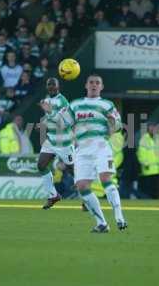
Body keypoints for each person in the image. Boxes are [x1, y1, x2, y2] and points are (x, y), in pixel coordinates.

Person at [41, 74, 127, 233]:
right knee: (82, 186)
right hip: (82, 149)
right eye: (91, 83)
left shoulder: (107, 105)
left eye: (97, 83)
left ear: (101, 87)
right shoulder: (75, 104)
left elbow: (118, 126)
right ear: (86, 86)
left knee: (105, 178)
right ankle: (102, 223)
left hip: (101, 145)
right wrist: (51, 112)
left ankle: (119, 216)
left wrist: (113, 123)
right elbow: (61, 123)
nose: (94, 85)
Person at [38, 77, 74, 210]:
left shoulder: (63, 101)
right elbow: (50, 120)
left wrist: (49, 111)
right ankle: (53, 195)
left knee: (73, 170)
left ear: (58, 86)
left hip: (64, 142)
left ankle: (86, 197)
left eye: (53, 84)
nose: (51, 86)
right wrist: (42, 123)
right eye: (49, 84)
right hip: (51, 140)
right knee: (41, 165)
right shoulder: (46, 100)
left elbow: (64, 123)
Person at [136, 122, 159, 198]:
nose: (152, 129)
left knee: (156, 189)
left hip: (157, 169)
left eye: (154, 127)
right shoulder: (144, 140)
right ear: (148, 129)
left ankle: (154, 200)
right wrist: (144, 163)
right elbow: (141, 154)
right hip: (148, 168)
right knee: (148, 188)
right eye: (151, 127)